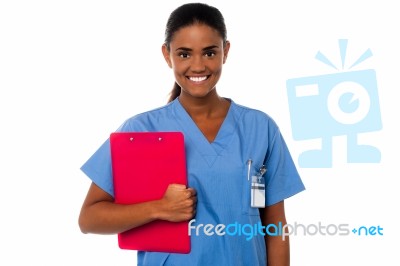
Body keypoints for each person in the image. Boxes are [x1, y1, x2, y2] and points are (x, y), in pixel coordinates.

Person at [78, 3, 305, 266]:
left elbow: (276, 227)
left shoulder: (261, 128)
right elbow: (89, 218)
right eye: (184, 54)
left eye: (209, 52)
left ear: (226, 51)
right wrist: (159, 208)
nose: (198, 66)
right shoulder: (140, 130)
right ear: (167, 55)